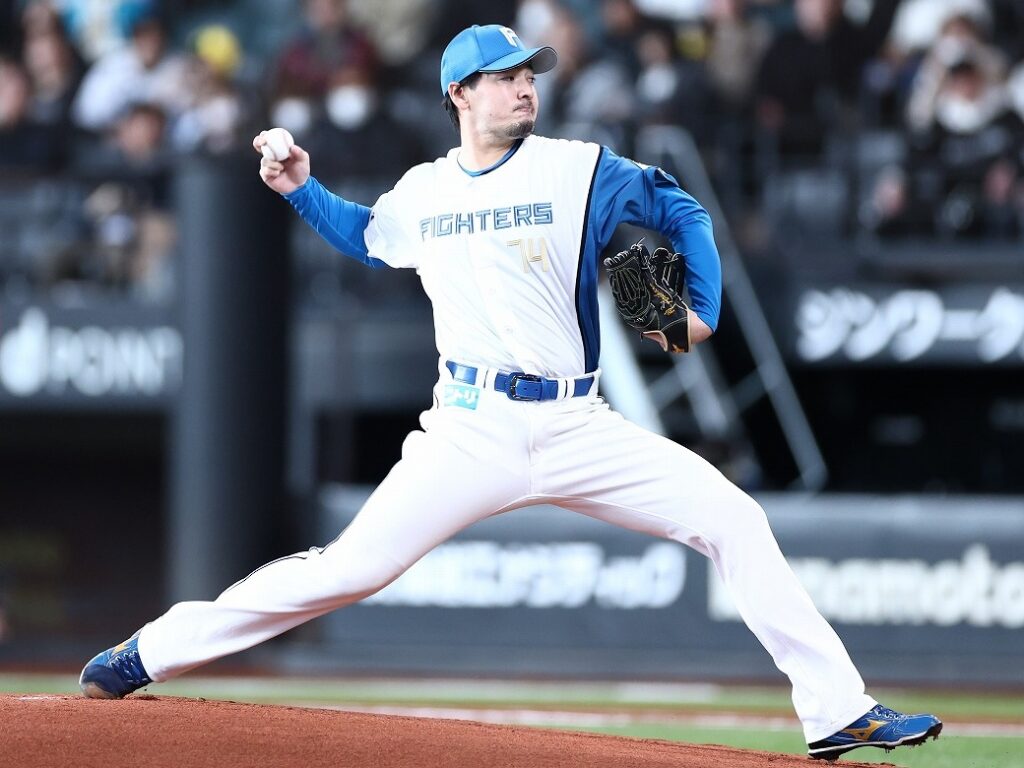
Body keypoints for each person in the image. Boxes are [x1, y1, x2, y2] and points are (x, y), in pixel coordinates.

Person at [78, 23, 942, 762]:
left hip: (577, 421)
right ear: (460, 93)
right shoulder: (425, 190)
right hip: (469, 428)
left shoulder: (576, 169)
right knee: (347, 569)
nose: (526, 86)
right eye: (505, 76)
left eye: (530, 73)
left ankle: (836, 712)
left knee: (734, 519)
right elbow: (367, 234)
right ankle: (149, 652)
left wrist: (700, 313)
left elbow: (682, 210)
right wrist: (303, 188)